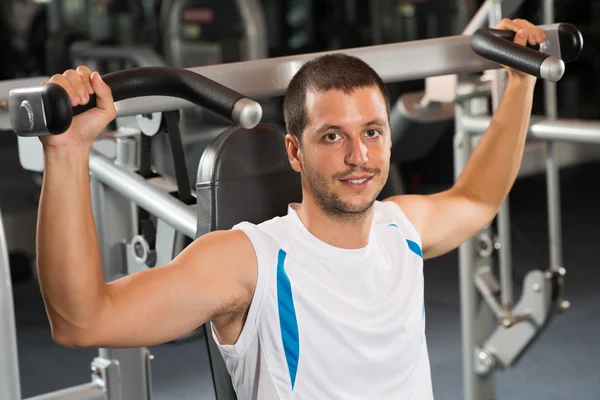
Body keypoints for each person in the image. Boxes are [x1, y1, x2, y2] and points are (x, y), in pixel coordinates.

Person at [36, 18, 546, 400]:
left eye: (372, 132)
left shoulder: (403, 227)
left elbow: (477, 197)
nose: (358, 157)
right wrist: (66, 151)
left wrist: (520, 80)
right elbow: (82, 321)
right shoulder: (250, 263)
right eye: (332, 136)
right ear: (295, 152)